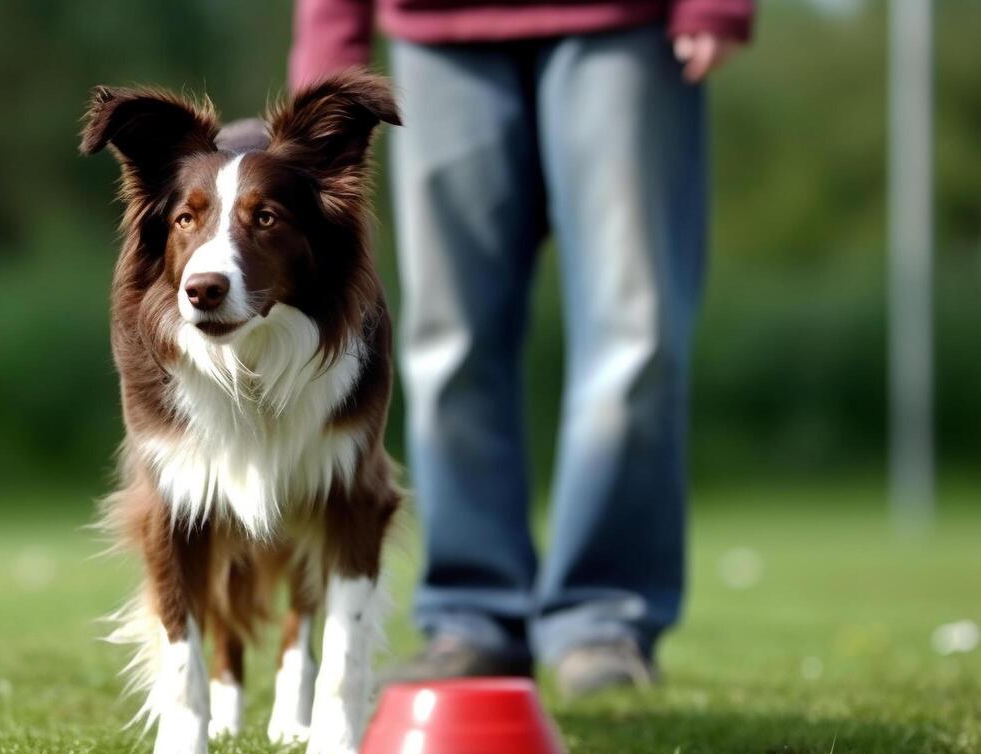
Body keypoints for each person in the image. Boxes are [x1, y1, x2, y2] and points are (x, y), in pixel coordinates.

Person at [289, 0, 754, 696]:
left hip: (626, 26)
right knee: (448, 343)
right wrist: (329, 46)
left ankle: (603, 619)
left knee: (637, 334)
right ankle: (473, 616)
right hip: (438, 37)